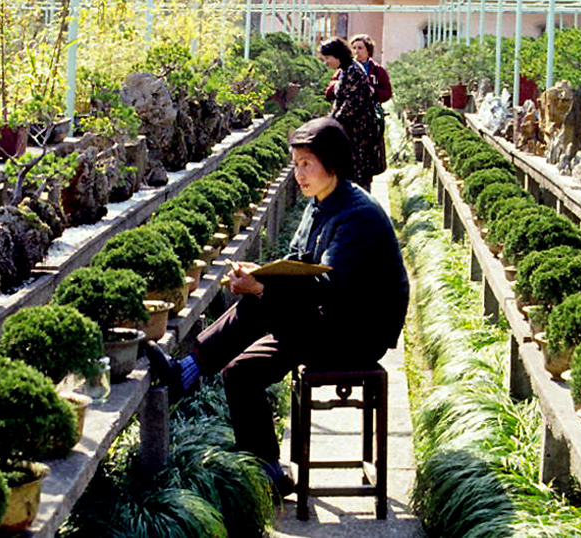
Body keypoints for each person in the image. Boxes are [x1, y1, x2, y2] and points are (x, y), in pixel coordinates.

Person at [146, 117, 409, 498]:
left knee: (259, 303)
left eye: (307, 163)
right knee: (239, 373)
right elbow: (297, 260)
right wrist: (260, 275)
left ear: (331, 164)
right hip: (324, 321)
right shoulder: (320, 203)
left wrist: (262, 287)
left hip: (357, 331)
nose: (298, 173)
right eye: (296, 163)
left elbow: (329, 289)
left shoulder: (358, 215)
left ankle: (188, 372)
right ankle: (270, 472)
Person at [319, 37, 386, 191]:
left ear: (337, 56)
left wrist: (329, 125)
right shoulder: (345, 70)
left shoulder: (353, 72)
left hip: (358, 138)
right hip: (352, 137)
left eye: (328, 58)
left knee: (358, 181)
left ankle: (362, 212)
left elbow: (349, 108)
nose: (326, 62)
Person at [349, 34, 393, 104]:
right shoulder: (346, 68)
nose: (356, 51)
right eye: (354, 48)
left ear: (368, 50)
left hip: (369, 109)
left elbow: (387, 93)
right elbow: (330, 90)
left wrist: (374, 91)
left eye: (360, 48)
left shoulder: (377, 70)